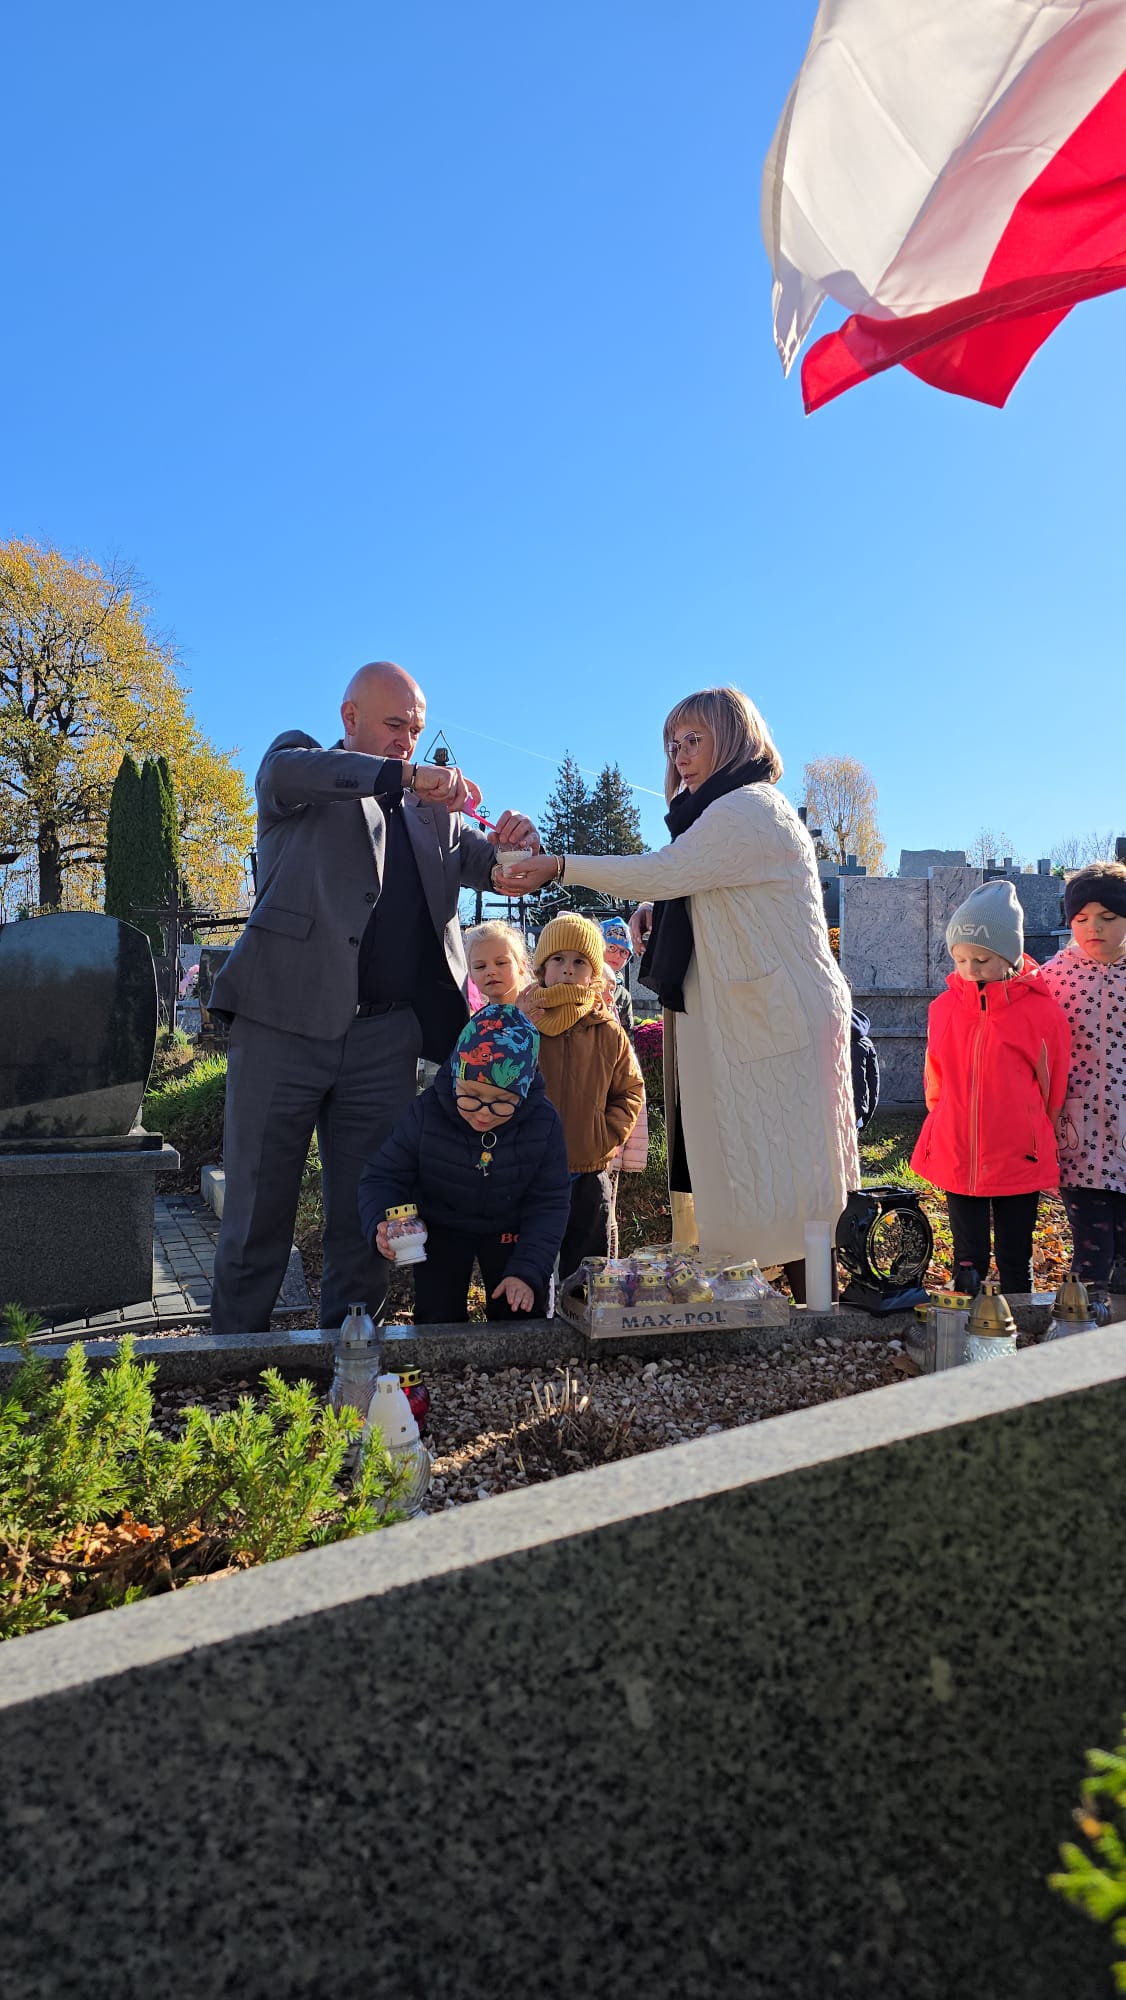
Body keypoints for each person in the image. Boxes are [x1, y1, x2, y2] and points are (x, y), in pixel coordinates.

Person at [208, 660, 539, 1336]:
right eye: (394, 725)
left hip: (384, 1042)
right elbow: (287, 773)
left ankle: (353, 1362)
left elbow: (498, 870)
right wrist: (406, 776)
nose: (406, 742)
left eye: (414, 731)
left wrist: (518, 849)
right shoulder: (300, 769)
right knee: (255, 1212)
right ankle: (233, 1359)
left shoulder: (436, 818)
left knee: (371, 1215)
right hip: (279, 1027)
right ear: (350, 717)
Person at [500, 687, 858, 1274]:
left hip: (773, 1021)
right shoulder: (719, 814)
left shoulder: (749, 808)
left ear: (734, 738)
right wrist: (659, 909)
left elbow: (671, 870)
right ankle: (769, 1301)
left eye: (695, 739)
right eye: (673, 744)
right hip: (752, 1020)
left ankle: (812, 1311)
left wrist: (561, 866)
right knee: (765, 1180)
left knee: (791, 1186)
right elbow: (694, 881)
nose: (680, 755)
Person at [358, 1005, 570, 1322]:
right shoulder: (426, 1111)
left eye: (501, 1102)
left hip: (511, 1229)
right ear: (456, 1075)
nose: (483, 1112)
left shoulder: (543, 1123)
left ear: (524, 1093)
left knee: (520, 1310)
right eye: (470, 1095)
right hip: (441, 1225)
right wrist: (382, 1222)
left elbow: (550, 1202)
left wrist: (528, 1270)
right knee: (437, 1315)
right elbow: (383, 1175)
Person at [909, 881, 1071, 1295]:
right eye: (961, 959)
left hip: (1018, 1150)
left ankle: (1022, 1313)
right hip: (958, 1147)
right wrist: (943, 1120)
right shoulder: (943, 1008)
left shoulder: (1041, 1013)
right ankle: (966, 1311)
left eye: (982, 959)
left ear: (1009, 957)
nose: (970, 969)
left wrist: (1038, 1130)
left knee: (1015, 1253)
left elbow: (1052, 1085)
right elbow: (935, 1074)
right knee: (968, 1256)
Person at [519, 913, 644, 1278]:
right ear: (542, 967)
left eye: (580, 961)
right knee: (530, 1269)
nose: (568, 969)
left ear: (594, 972)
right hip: (531, 1170)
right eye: (558, 958)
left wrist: (606, 1135)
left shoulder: (606, 1029)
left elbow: (630, 1089)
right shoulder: (525, 1022)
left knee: (587, 1275)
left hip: (589, 1171)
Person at [1039, 861, 1126, 1318]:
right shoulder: (1053, 979)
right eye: (1082, 918)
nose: (1094, 928)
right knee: (1093, 1244)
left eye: (1108, 917)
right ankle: (1082, 1323)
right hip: (1079, 1135)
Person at [464, 920, 531, 1010]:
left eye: (501, 963)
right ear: (471, 974)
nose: (491, 971)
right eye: (480, 966)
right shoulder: (477, 1019)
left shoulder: (542, 1013)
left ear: (521, 966)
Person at [599, 917, 635, 1039]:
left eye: (624, 952)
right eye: (611, 947)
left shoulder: (623, 995)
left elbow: (626, 1037)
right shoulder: (578, 979)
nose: (617, 955)